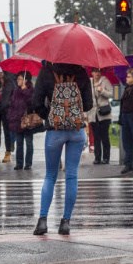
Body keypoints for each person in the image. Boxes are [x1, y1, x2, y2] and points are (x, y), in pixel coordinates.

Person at [31, 62, 92, 236]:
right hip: (76, 130)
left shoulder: (47, 71)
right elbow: (88, 104)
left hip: (55, 131)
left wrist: (50, 115)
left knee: (50, 175)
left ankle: (42, 221)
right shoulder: (81, 71)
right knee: (71, 175)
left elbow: (36, 102)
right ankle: (65, 222)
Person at [8, 72, 35, 170]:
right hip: (17, 120)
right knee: (19, 143)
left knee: (28, 142)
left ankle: (28, 163)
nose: (17, 81)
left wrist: (25, 91)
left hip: (27, 121)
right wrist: (11, 116)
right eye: (18, 79)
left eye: (19, 79)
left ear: (25, 80)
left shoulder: (31, 90)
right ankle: (19, 163)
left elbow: (32, 103)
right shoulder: (16, 90)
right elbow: (12, 104)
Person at [87, 68, 113, 164]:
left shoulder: (105, 80)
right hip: (93, 114)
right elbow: (86, 97)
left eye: (99, 71)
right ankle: (97, 158)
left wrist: (102, 91)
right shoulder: (89, 82)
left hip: (104, 114)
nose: (97, 73)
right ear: (92, 73)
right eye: (95, 71)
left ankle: (106, 158)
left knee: (104, 137)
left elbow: (112, 94)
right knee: (96, 137)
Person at [0, 72, 15, 163]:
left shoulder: (10, 83)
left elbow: (13, 96)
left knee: (7, 132)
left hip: (7, 110)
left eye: (1, 71)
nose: (0, 73)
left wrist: (9, 104)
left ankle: (8, 153)